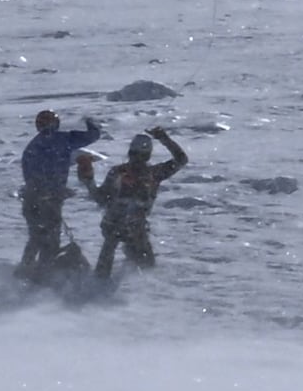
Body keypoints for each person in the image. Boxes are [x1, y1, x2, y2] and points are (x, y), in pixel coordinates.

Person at [89, 124, 186, 278]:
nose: (137, 159)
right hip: (132, 228)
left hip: (117, 225)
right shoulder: (153, 173)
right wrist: (164, 139)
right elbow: (181, 159)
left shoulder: (119, 172)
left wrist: (89, 182)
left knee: (113, 259)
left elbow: (100, 198)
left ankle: (103, 284)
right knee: (146, 266)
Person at [18, 108, 105, 272]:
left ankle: (26, 268)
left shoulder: (31, 148)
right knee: (51, 236)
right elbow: (92, 136)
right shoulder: (63, 139)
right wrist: (90, 122)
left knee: (36, 237)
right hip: (50, 198)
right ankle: (46, 270)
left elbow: (30, 177)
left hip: (31, 199)